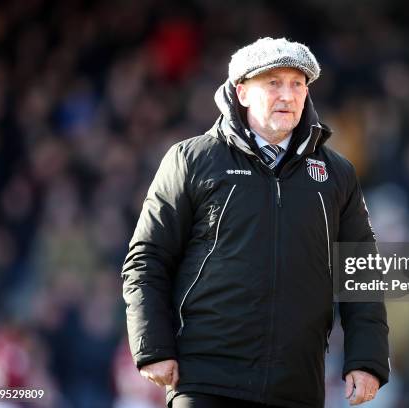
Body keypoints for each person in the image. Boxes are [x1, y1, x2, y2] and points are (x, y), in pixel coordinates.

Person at [122, 37, 390, 408]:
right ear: (242, 92)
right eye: (273, 83)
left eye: (297, 84)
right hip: (204, 382)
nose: (288, 95)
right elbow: (146, 259)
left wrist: (367, 360)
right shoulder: (192, 159)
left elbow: (361, 272)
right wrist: (152, 346)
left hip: (298, 387)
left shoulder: (336, 174)